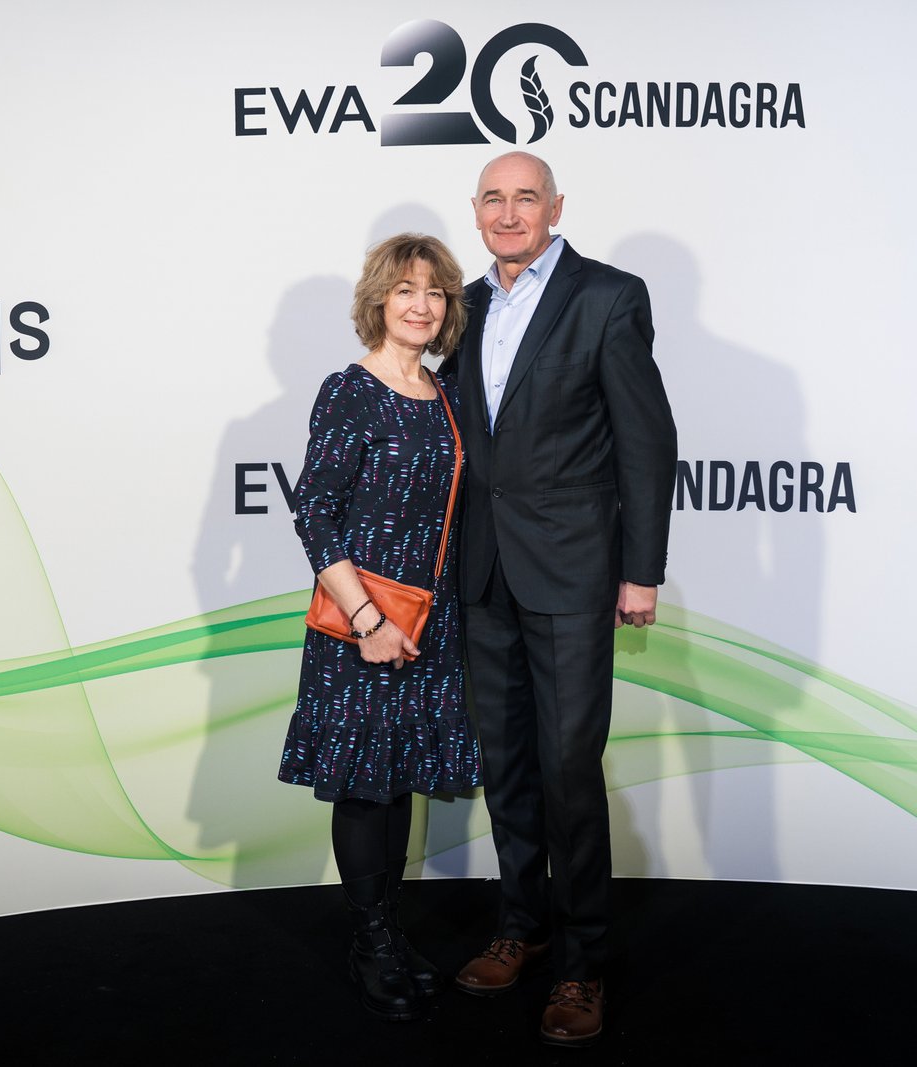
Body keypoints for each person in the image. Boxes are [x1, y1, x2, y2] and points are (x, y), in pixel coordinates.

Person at [441, 152, 676, 1047]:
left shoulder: (607, 297)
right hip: (483, 571)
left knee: (569, 768)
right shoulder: (463, 305)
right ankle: (521, 923)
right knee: (506, 763)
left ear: (556, 206)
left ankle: (581, 964)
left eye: (525, 197)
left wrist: (641, 570)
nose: (509, 213)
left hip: (575, 571)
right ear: (475, 211)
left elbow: (646, 441)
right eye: (494, 199)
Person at [279, 233, 480, 1021]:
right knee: (367, 787)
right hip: (363, 625)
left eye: (434, 292)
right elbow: (313, 511)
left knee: (398, 780)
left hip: (431, 624)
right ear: (378, 301)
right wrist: (366, 619)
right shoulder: (350, 390)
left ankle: (389, 931)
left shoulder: (448, 395)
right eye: (405, 290)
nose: (421, 305)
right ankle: (369, 942)